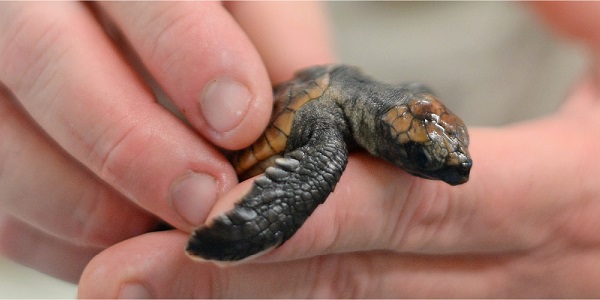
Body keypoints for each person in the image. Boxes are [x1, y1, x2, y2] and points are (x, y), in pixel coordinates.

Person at [1, 2, 600, 298]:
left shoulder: (404, 101)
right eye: (424, 161)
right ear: (384, 138)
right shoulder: (328, 131)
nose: (450, 170)